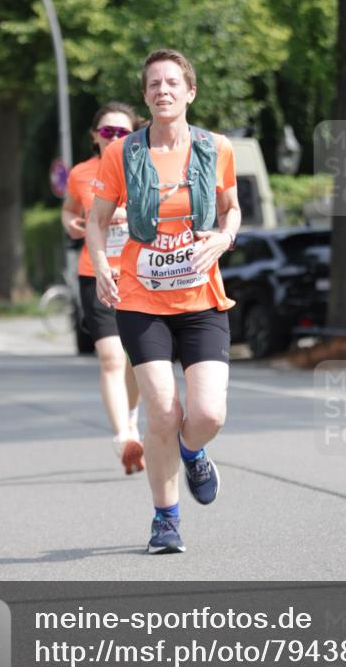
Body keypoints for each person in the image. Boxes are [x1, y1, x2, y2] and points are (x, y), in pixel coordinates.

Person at [87, 50, 241, 553]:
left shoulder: (215, 148)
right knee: (160, 410)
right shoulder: (122, 154)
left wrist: (224, 236)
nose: (162, 91)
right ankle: (166, 518)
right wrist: (103, 267)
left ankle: (193, 452)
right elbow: (95, 220)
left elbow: (231, 208)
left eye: (172, 82)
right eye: (153, 84)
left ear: (190, 91)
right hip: (140, 299)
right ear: (145, 95)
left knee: (207, 415)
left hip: (201, 299)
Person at [62, 102, 145, 474]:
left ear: (133, 134)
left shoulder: (145, 166)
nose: (114, 138)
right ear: (95, 135)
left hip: (140, 275)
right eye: (107, 131)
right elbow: (68, 209)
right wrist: (73, 224)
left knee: (137, 359)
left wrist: (122, 215)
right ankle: (124, 438)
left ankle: (130, 416)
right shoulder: (80, 173)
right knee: (111, 357)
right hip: (95, 274)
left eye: (122, 132)